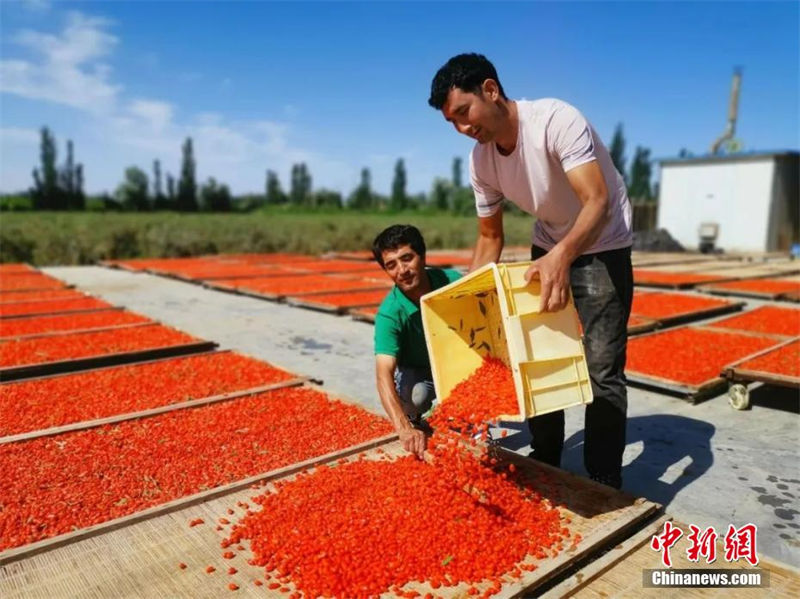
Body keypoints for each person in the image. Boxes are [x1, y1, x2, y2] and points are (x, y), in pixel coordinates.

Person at [428, 53, 633, 489]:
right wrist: (465, 301)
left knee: (601, 366)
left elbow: (597, 201)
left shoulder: (557, 121)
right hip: (549, 239)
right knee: (535, 356)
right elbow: (489, 239)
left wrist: (561, 255)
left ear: (490, 90)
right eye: (452, 122)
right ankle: (546, 456)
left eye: (464, 113)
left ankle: (603, 475)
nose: (463, 128)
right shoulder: (481, 161)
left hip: (603, 242)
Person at [372, 224, 462, 458]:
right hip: (418, 369)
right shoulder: (389, 313)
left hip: (455, 362)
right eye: (391, 265)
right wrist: (404, 427)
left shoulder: (452, 283)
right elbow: (383, 372)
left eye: (407, 259)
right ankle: (414, 416)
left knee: (466, 423)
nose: (402, 270)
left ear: (422, 257)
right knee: (416, 397)